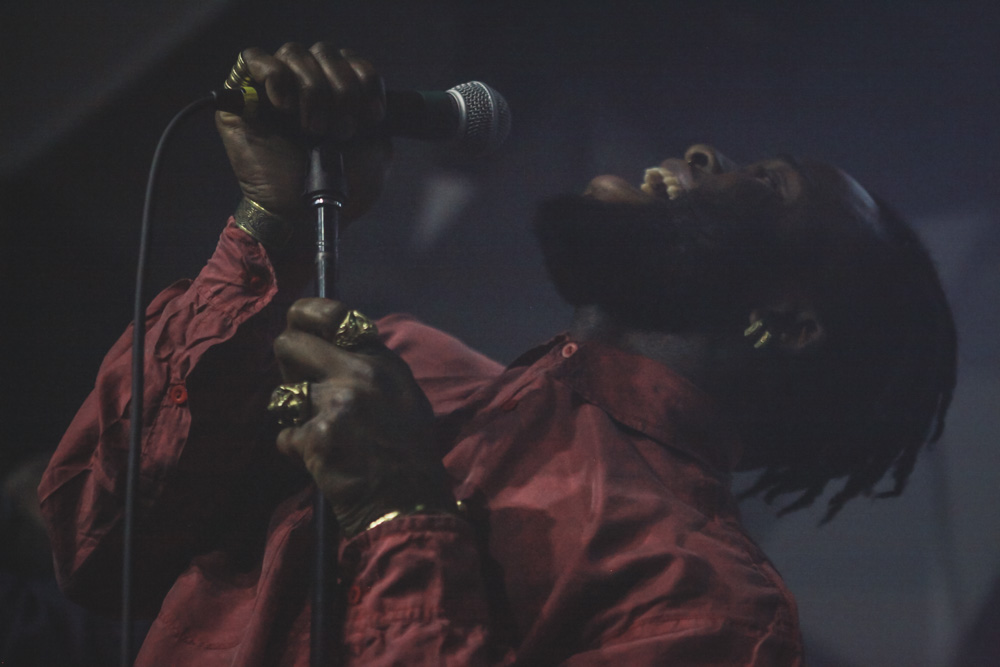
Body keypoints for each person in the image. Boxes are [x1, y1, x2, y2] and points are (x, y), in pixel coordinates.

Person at [39, 42, 956, 665]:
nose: (709, 150)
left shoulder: (711, 600)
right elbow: (92, 539)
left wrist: (400, 513)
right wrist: (271, 224)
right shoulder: (403, 361)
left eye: (767, 183)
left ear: (790, 320)